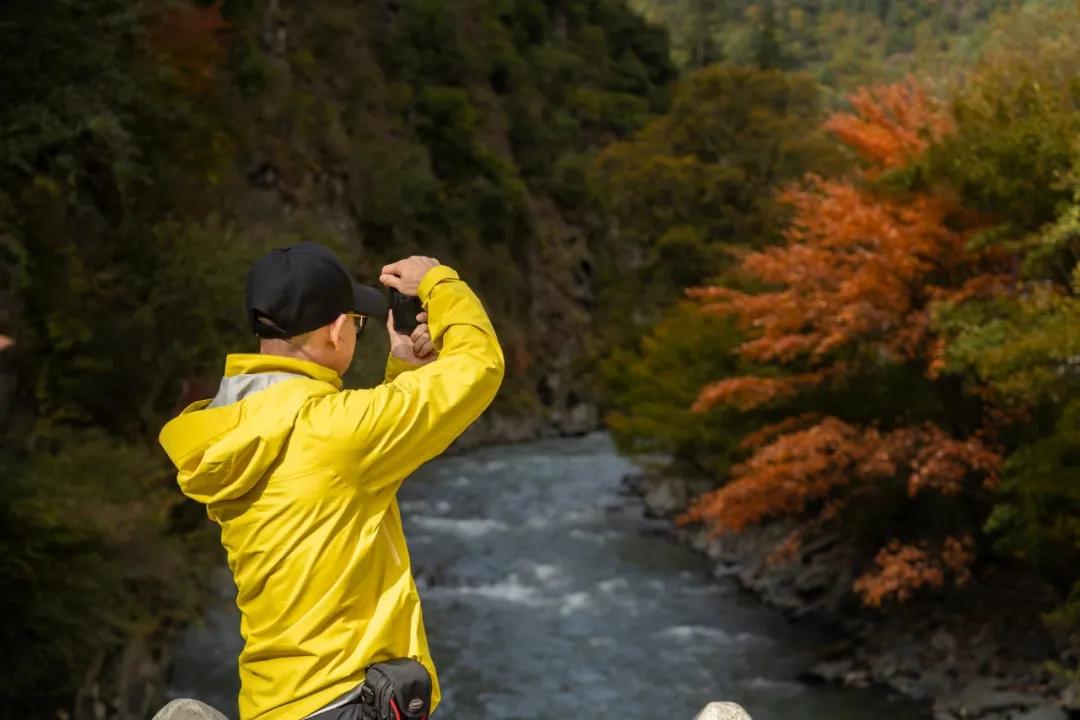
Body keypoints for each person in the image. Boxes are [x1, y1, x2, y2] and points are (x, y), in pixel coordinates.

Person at [159, 242, 504, 719]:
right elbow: (478, 368)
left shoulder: (225, 426)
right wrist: (440, 284)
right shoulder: (337, 432)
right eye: (357, 324)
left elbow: (340, 476)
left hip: (272, 703)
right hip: (349, 700)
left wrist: (405, 367)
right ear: (337, 329)